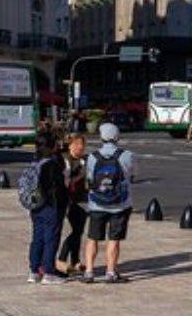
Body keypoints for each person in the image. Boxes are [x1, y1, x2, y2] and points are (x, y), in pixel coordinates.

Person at [82, 122, 137, 284]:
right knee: (114, 239)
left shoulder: (92, 157)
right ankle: (111, 272)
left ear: (101, 137)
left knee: (92, 238)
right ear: (117, 137)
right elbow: (134, 175)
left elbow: (90, 179)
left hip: (96, 203)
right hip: (120, 204)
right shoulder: (127, 155)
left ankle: (89, 272)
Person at [26, 130, 69, 284]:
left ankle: (34, 270)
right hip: (51, 206)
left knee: (37, 237)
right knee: (51, 238)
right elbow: (58, 188)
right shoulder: (51, 164)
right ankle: (49, 272)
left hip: (35, 205)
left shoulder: (34, 161)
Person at [55, 133, 89, 276]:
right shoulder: (65, 160)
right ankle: (62, 258)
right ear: (69, 145)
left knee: (79, 230)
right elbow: (64, 182)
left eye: (82, 144)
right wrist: (79, 177)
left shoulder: (83, 160)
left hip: (82, 198)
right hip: (69, 200)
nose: (80, 147)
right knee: (76, 231)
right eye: (76, 144)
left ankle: (75, 261)